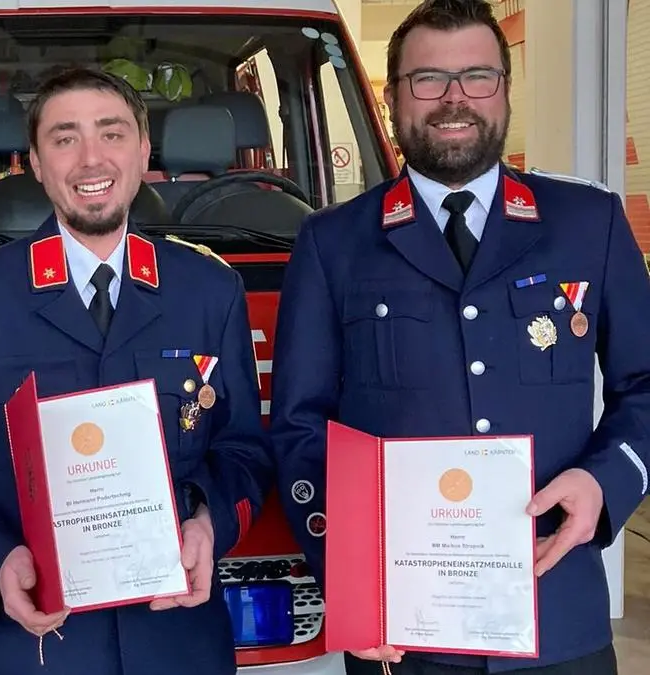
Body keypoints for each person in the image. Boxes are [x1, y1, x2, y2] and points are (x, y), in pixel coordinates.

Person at [270, 1, 649, 674]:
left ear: (504, 89)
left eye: (477, 76)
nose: (455, 99)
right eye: (428, 80)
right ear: (392, 101)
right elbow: (301, 427)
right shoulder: (332, 244)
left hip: (555, 619)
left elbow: (644, 385)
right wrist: (352, 582)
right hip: (404, 629)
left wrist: (606, 482)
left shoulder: (589, 224)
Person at [0, 67, 273, 675]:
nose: (91, 159)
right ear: (35, 163)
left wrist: (209, 523)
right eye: (65, 138)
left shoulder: (210, 291)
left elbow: (243, 450)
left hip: (178, 642)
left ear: (144, 150)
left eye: (112, 134)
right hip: (35, 646)